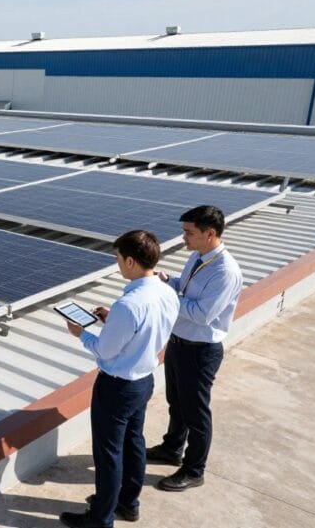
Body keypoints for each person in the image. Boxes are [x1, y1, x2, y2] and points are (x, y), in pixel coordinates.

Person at [60, 230, 180, 528]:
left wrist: (82, 334)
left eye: (117, 259)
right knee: (133, 443)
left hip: (117, 387)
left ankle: (100, 519)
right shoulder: (166, 292)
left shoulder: (130, 305)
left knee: (108, 454)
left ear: (129, 260)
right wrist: (111, 319)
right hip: (144, 380)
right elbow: (143, 328)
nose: (117, 264)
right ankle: (128, 503)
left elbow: (105, 350)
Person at [147, 205, 243, 492]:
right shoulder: (198, 257)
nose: (183, 237)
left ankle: (194, 469)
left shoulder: (225, 272)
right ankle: (172, 449)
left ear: (209, 233)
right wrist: (169, 281)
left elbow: (202, 314)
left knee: (196, 412)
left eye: (189, 232)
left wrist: (167, 298)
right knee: (176, 402)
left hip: (200, 351)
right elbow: (185, 289)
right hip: (178, 344)